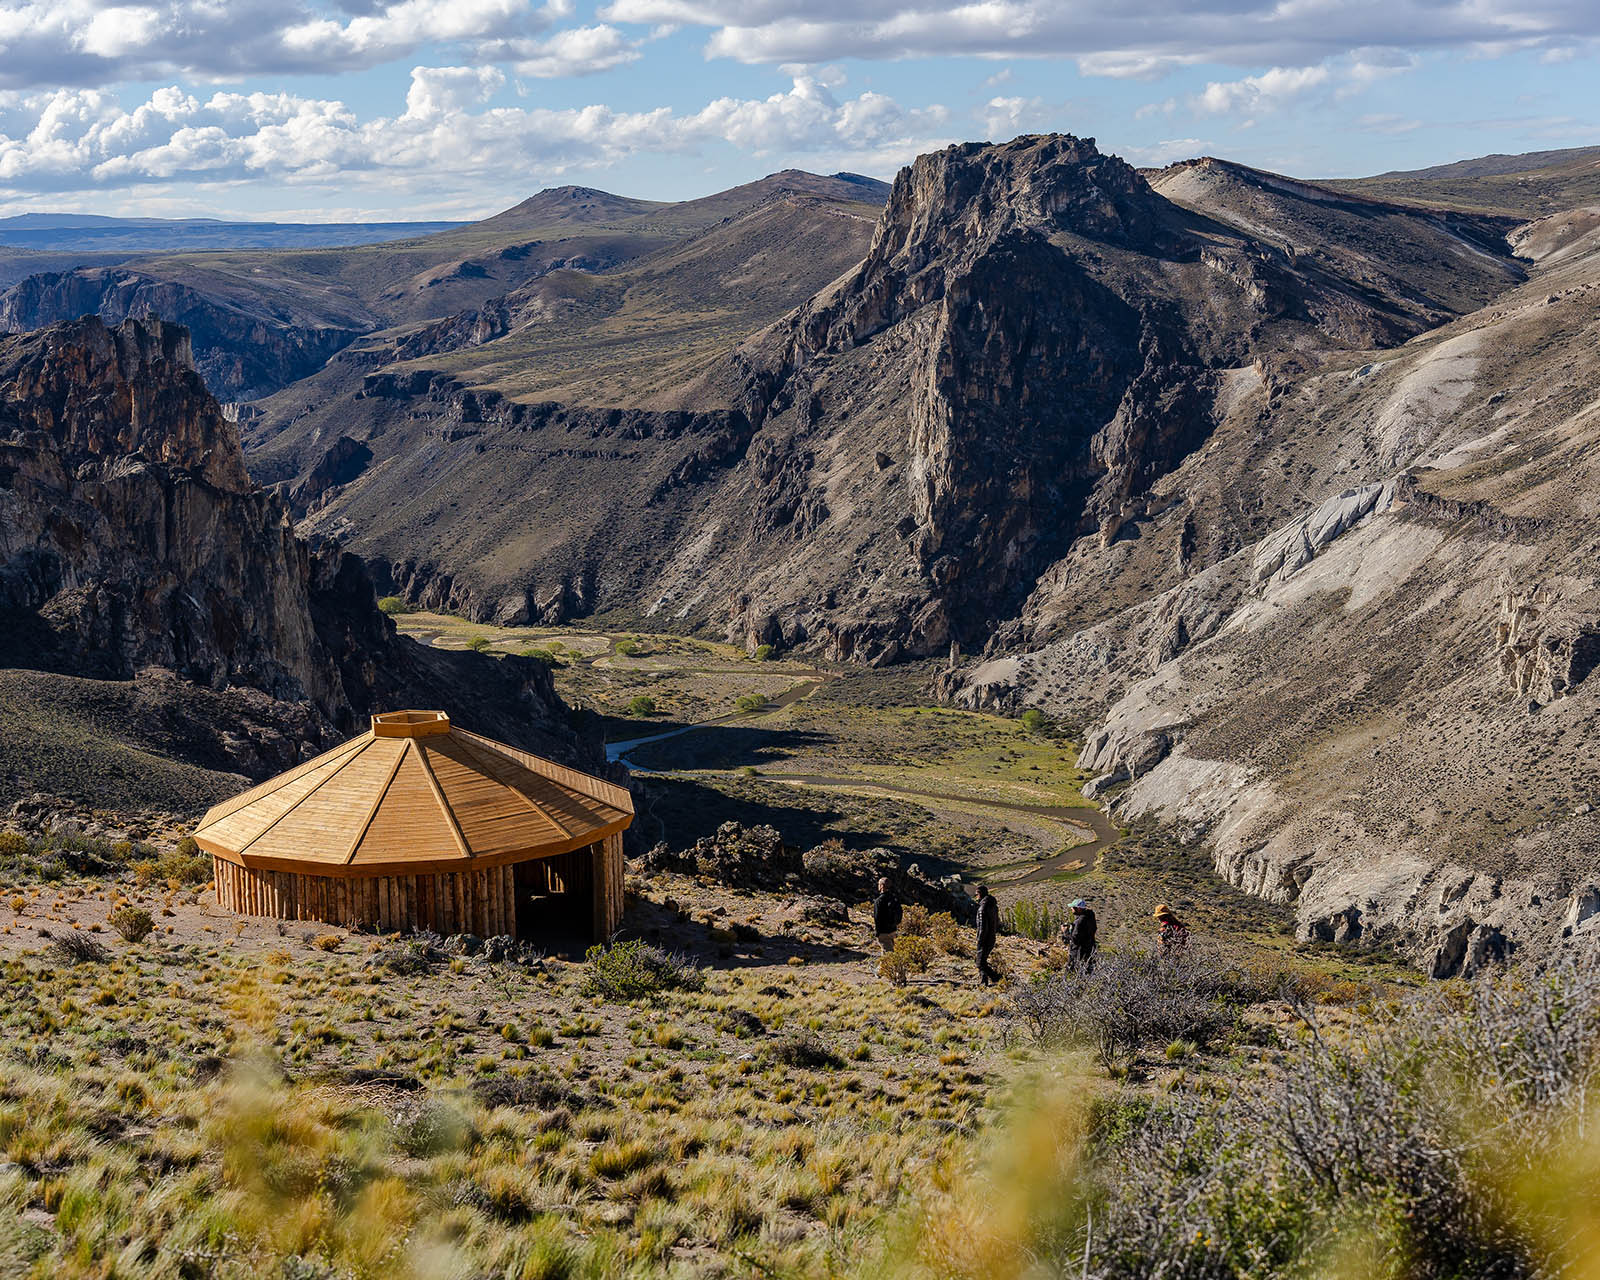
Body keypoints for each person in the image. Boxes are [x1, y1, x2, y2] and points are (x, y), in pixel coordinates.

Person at [974, 884, 1000, 985]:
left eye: (976, 894)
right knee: (982, 961)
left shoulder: (983, 908)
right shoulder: (993, 906)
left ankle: (995, 978)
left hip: (985, 938)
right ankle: (986, 981)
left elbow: (982, 926)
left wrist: (979, 939)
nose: (976, 896)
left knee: (980, 962)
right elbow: (997, 923)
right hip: (991, 937)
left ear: (980, 894)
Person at [1061, 898, 1097, 971]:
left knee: (1071, 973)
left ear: (1078, 908)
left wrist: (1065, 932)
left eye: (1073, 907)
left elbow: (1075, 939)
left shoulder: (1080, 921)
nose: (1071, 909)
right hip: (1090, 951)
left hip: (1078, 953)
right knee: (1088, 972)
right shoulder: (1090, 917)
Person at [873, 877, 903, 952]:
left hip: (883, 931)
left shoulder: (879, 901)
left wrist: (877, 932)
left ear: (881, 886)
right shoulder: (894, 898)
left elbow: (877, 918)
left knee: (887, 952)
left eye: (879, 884)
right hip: (893, 929)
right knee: (890, 947)